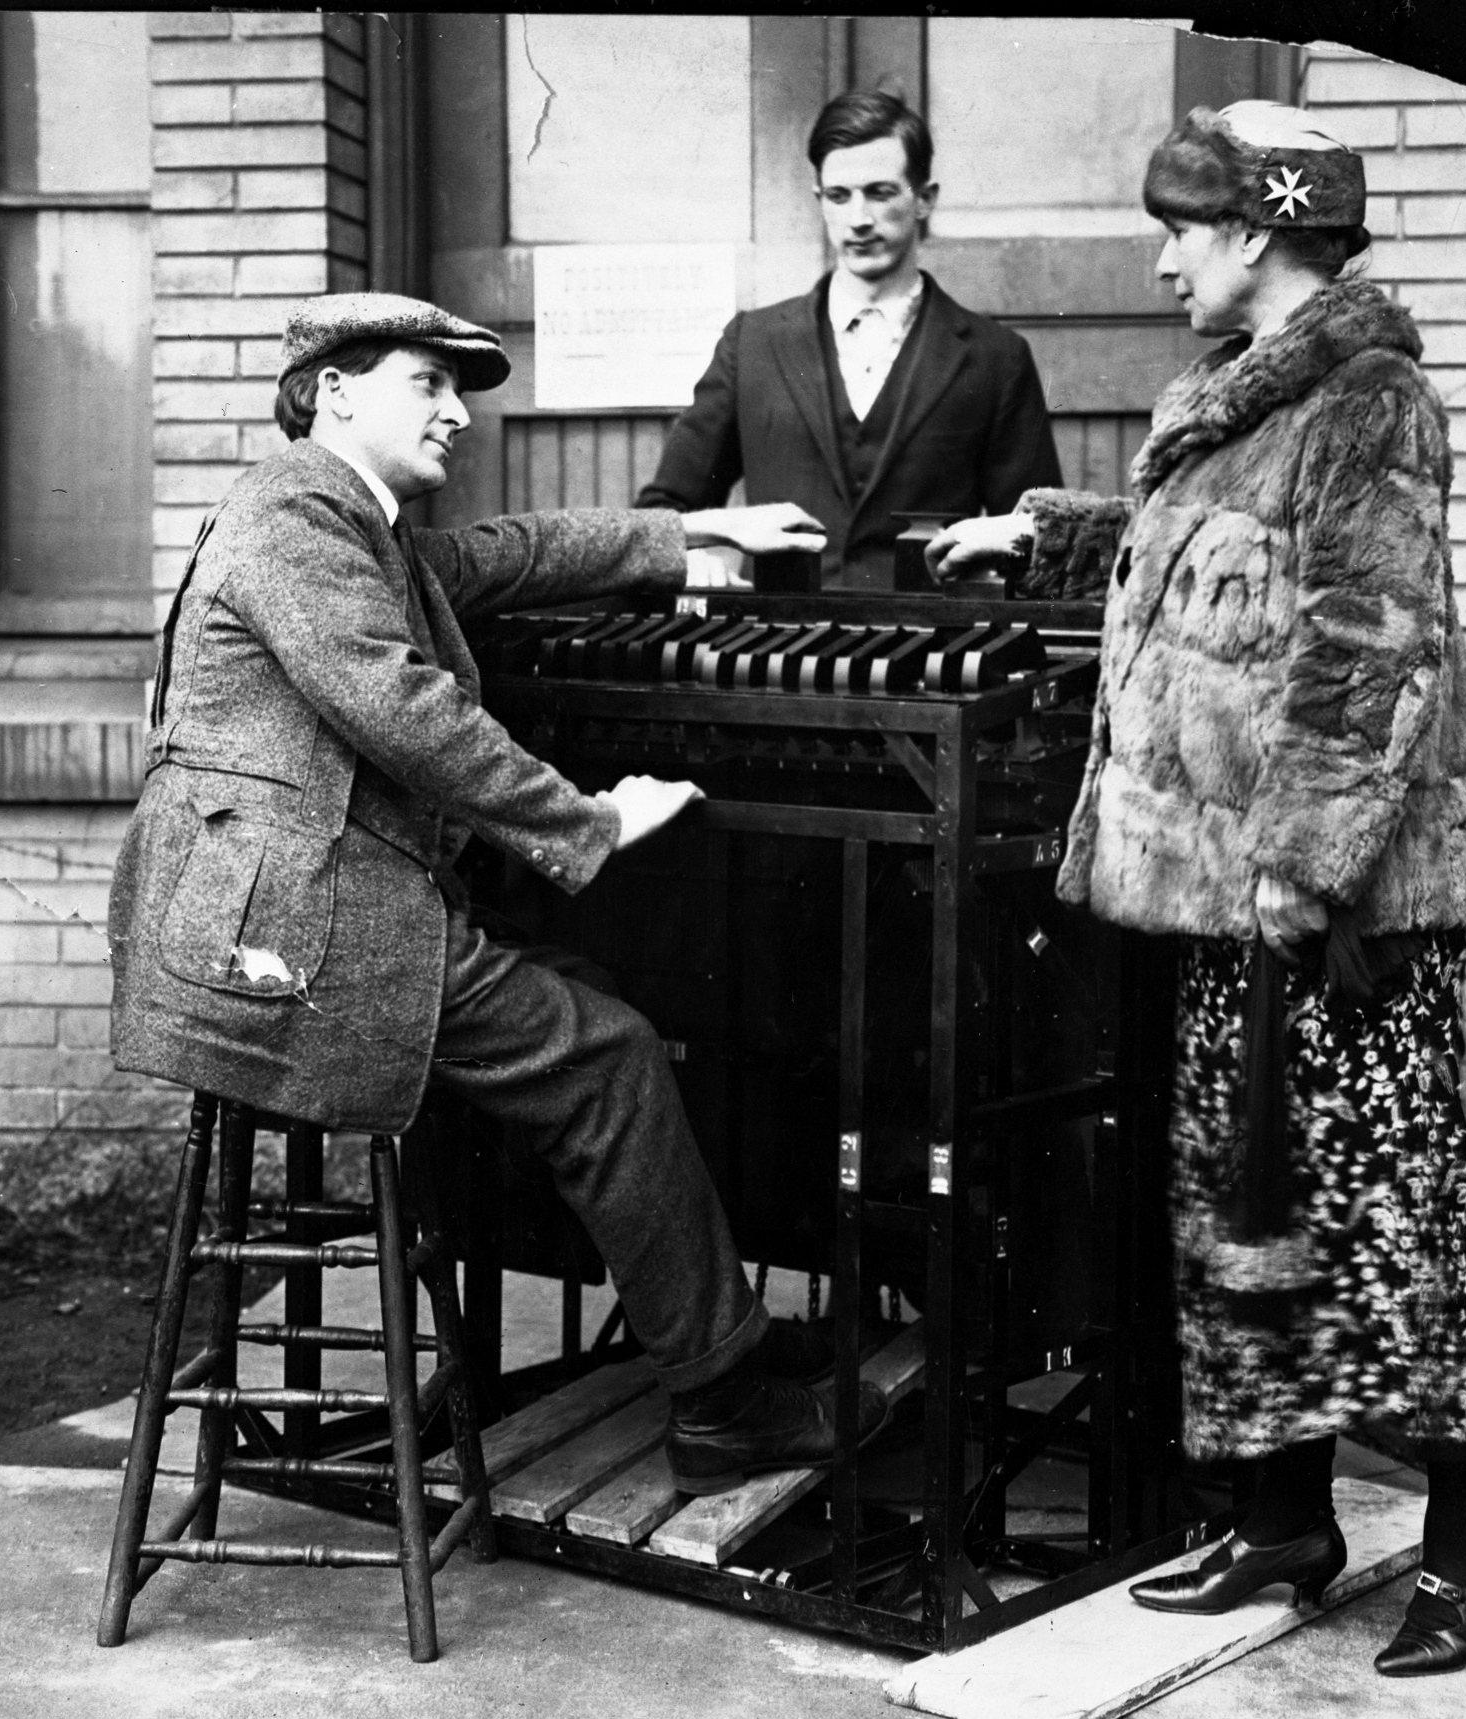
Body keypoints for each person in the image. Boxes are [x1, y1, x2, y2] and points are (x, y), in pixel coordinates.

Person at [107, 292, 885, 1494]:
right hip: (291, 946)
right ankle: (725, 1401)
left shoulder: (343, 519)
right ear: (335, 391)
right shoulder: (296, 512)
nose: (458, 414)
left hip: (314, 914)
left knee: (594, 998)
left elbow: (495, 557)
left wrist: (687, 538)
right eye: (430, 384)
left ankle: (705, 1330)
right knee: (613, 1052)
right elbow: (399, 706)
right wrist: (591, 819)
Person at [930, 102, 1466, 1677]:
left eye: (1179, 229)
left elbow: (1365, 648)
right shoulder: (1241, 397)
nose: (1161, 255)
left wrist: (1296, 867)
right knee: (1241, 1213)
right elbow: (1211, 556)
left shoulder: (1368, 397)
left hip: (1340, 923)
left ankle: (1465, 1533)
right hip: (1231, 894)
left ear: (1253, 236)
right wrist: (1045, 529)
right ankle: (1282, 1520)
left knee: (1375, 1221)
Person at [636, 89, 1064, 590]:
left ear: (925, 199)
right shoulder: (752, 344)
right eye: (840, 196)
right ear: (820, 202)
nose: (859, 218)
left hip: (929, 651)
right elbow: (662, 511)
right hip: (777, 647)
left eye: (880, 192)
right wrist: (695, 560)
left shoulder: (995, 358)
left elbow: (1038, 534)